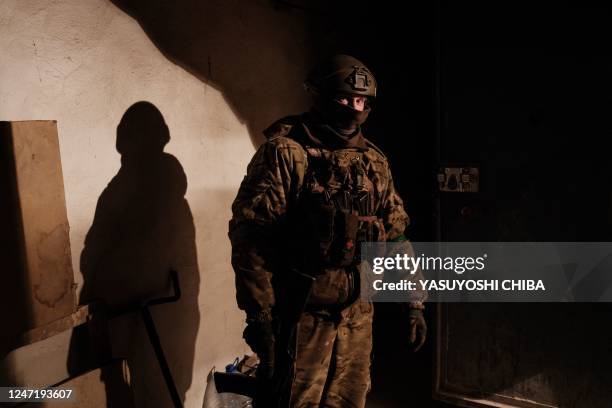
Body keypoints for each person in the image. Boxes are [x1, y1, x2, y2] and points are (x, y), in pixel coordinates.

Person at [228, 54, 426, 408]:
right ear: (321, 96)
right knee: (294, 401)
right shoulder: (286, 154)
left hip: (357, 314)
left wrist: (415, 301)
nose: (355, 108)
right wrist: (259, 317)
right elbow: (251, 241)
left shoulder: (373, 161)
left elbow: (396, 234)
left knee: (350, 401)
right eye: (346, 98)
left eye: (362, 101)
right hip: (303, 312)